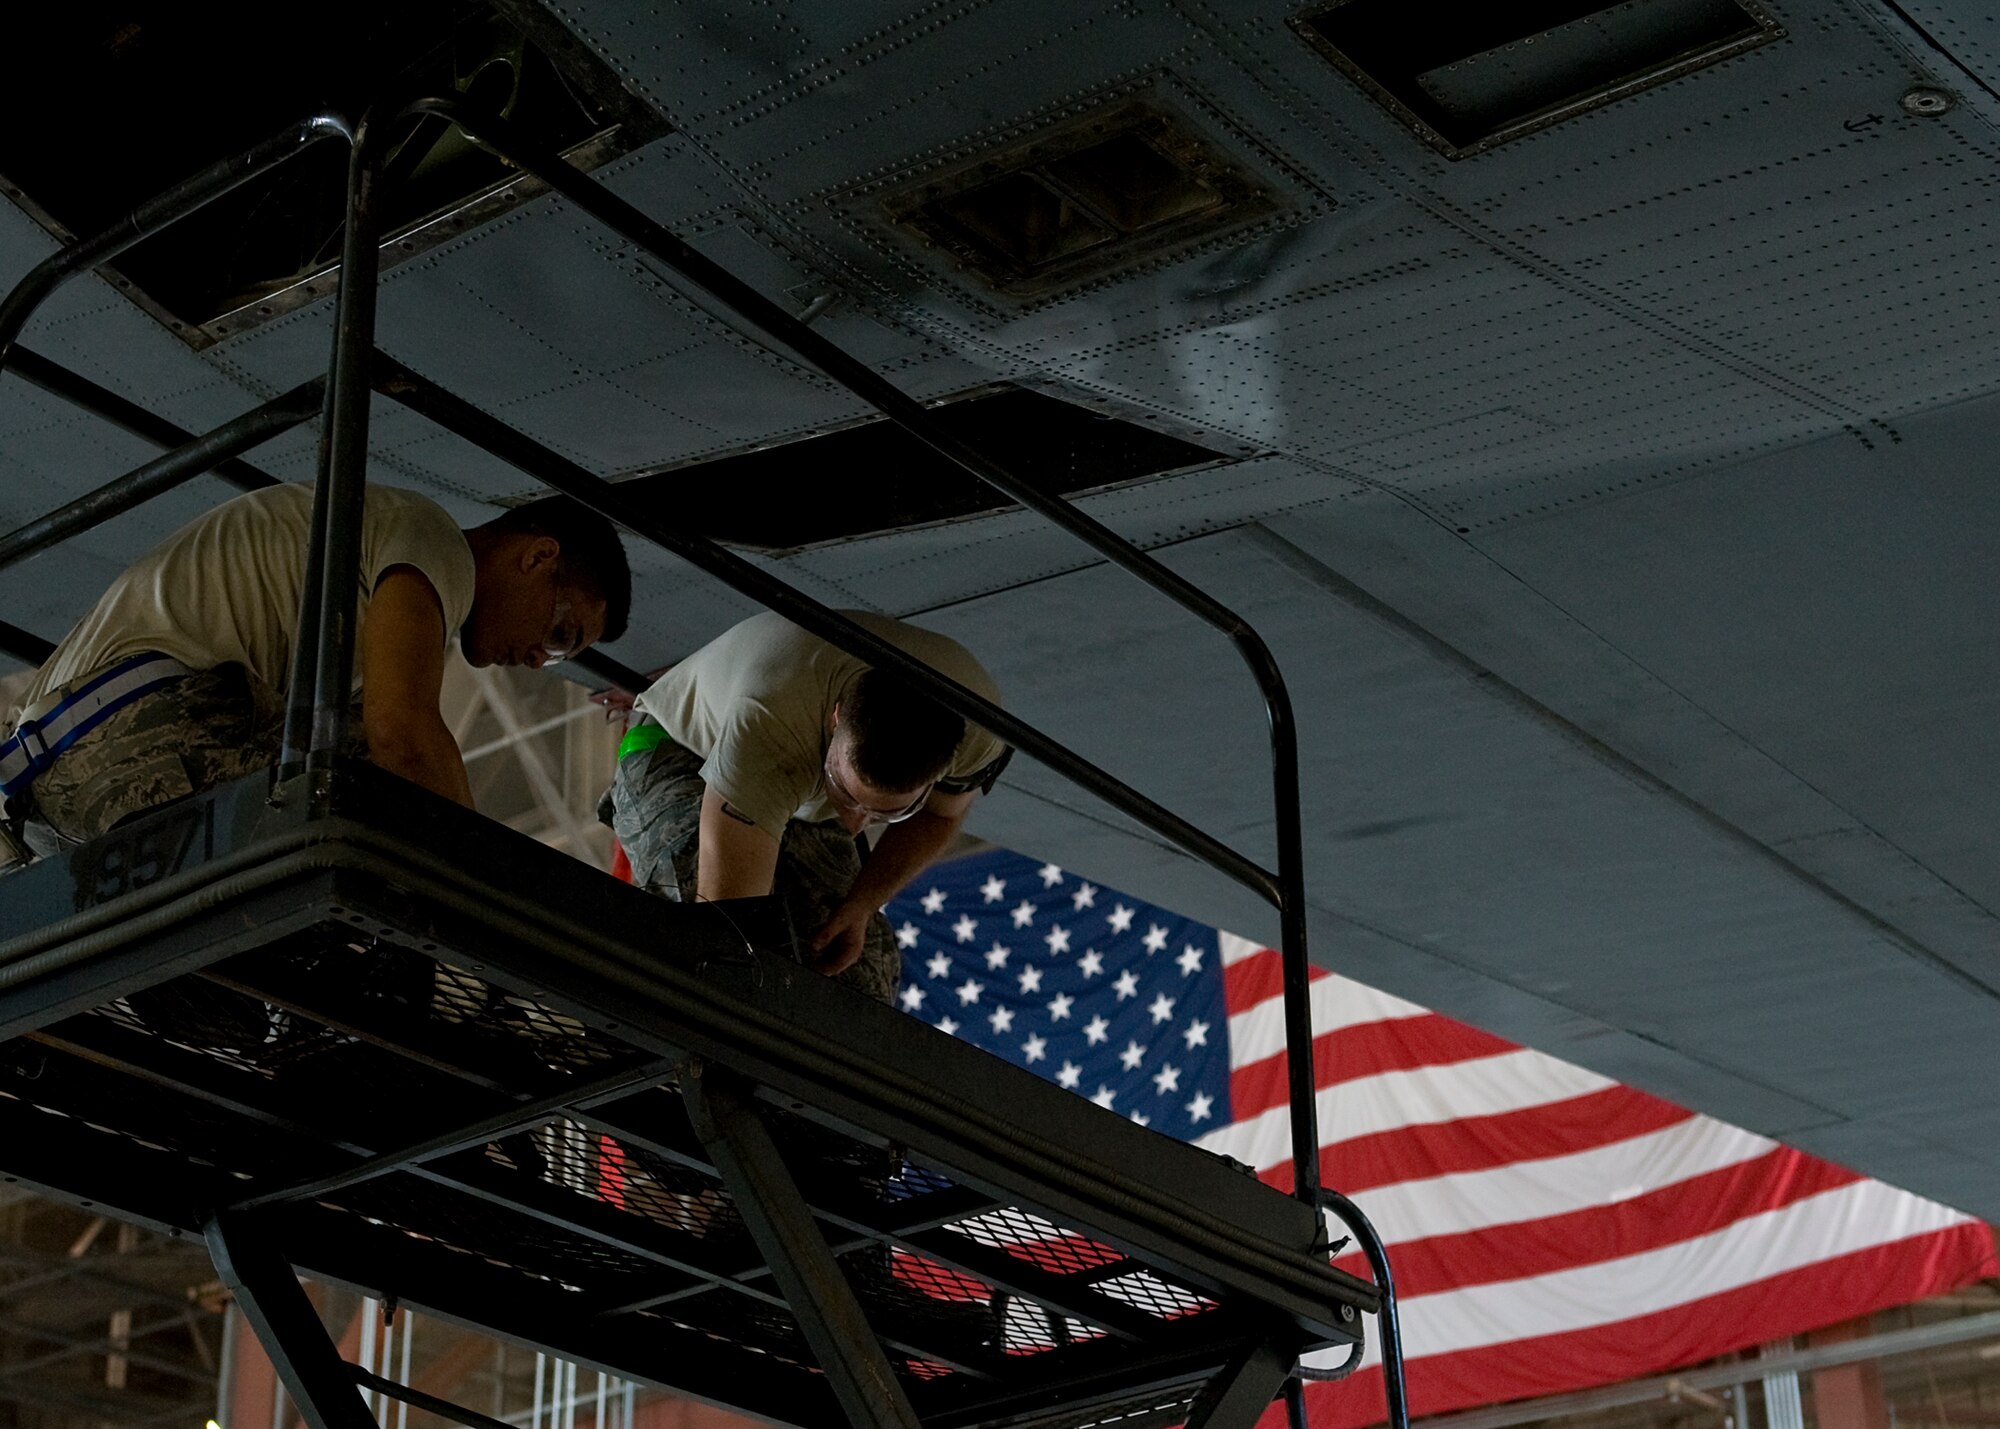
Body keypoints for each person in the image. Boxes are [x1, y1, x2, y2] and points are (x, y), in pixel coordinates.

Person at [2, 481, 631, 853]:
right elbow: (401, 733)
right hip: (129, 740)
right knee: (372, 762)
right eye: (557, 636)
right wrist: (498, 891)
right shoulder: (435, 541)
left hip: (54, 793)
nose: (532, 660)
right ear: (538, 558)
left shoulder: (371, 565)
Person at [604, 610, 1010, 1004]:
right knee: (707, 932)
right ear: (836, 718)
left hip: (802, 788)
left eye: (886, 813)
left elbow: (940, 815)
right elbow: (730, 919)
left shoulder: (977, 731)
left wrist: (862, 903)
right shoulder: (770, 724)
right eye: (849, 797)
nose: (854, 825)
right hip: (683, 749)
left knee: (859, 973)